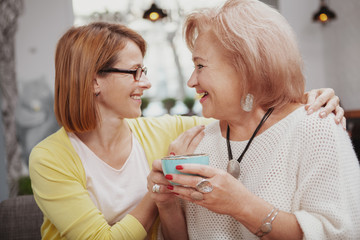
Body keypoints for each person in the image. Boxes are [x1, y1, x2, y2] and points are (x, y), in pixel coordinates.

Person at [29, 21, 344, 239]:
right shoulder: (49, 158)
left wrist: (302, 103)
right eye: (134, 72)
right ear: (93, 80)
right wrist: (159, 187)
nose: (146, 82)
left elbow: (245, 117)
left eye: (145, 70)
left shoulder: (163, 130)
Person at [148, 0, 360, 239]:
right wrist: (167, 204)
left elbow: (340, 234)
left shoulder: (316, 127)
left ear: (247, 68)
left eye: (200, 66)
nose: (191, 81)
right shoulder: (197, 142)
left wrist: (242, 205)